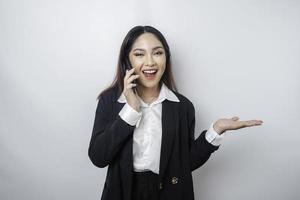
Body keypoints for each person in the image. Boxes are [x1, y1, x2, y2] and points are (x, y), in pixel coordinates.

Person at [88, 25, 263, 200]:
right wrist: (131, 111)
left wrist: (215, 131)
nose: (150, 62)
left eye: (157, 53)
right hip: (123, 192)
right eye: (139, 54)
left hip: (168, 192)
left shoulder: (183, 107)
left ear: (166, 57)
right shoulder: (109, 101)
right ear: (127, 61)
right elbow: (99, 157)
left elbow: (185, 163)